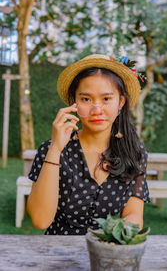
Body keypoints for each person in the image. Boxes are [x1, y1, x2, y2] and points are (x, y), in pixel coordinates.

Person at [27, 54, 150, 235]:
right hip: (57, 255)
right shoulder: (50, 150)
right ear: (73, 102)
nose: (97, 110)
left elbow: (133, 213)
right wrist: (55, 149)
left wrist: (119, 234)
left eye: (106, 99)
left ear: (121, 102)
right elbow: (40, 220)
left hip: (107, 252)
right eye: (86, 99)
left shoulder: (135, 152)